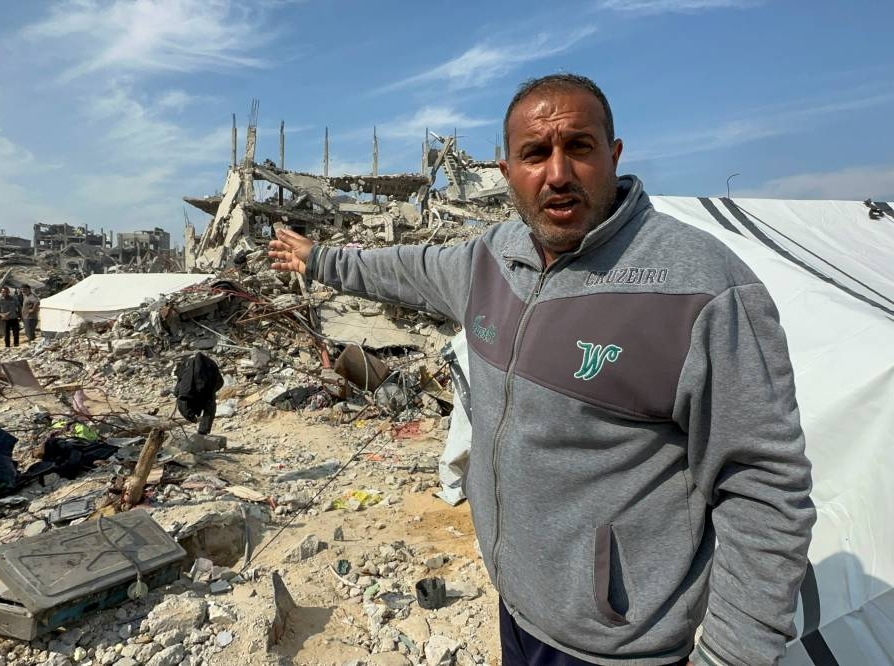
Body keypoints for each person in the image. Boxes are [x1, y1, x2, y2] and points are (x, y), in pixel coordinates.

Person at [270, 73, 815, 666]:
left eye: (578, 147)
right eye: (535, 153)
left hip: (617, 646)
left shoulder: (702, 289)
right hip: (517, 603)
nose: (557, 173)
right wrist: (319, 258)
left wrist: (734, 658)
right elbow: (406, 268)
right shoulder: (489, 260)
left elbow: (764, 487)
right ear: (507, 172)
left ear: (614, 154)